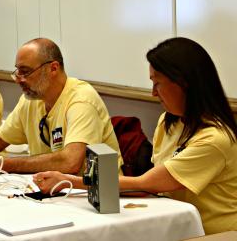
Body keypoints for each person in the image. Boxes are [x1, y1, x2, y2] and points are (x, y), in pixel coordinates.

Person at [34, 37, 237, 235]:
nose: (153, 93)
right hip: (172, 221)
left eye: (157, 83)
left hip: (212, 233)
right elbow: (153, 188)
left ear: (183, 83)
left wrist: (68, 181)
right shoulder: (169, 122)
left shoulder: (214, 139)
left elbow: (146, 183)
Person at [0, 38, 123, 175]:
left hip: (92, 196)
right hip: (52, 191)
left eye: (26, 72)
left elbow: (70, 162)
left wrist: (2, 164)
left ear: (53, 68)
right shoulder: (31, 100)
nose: (18, 79)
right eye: (17, 72)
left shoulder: (81, 99)